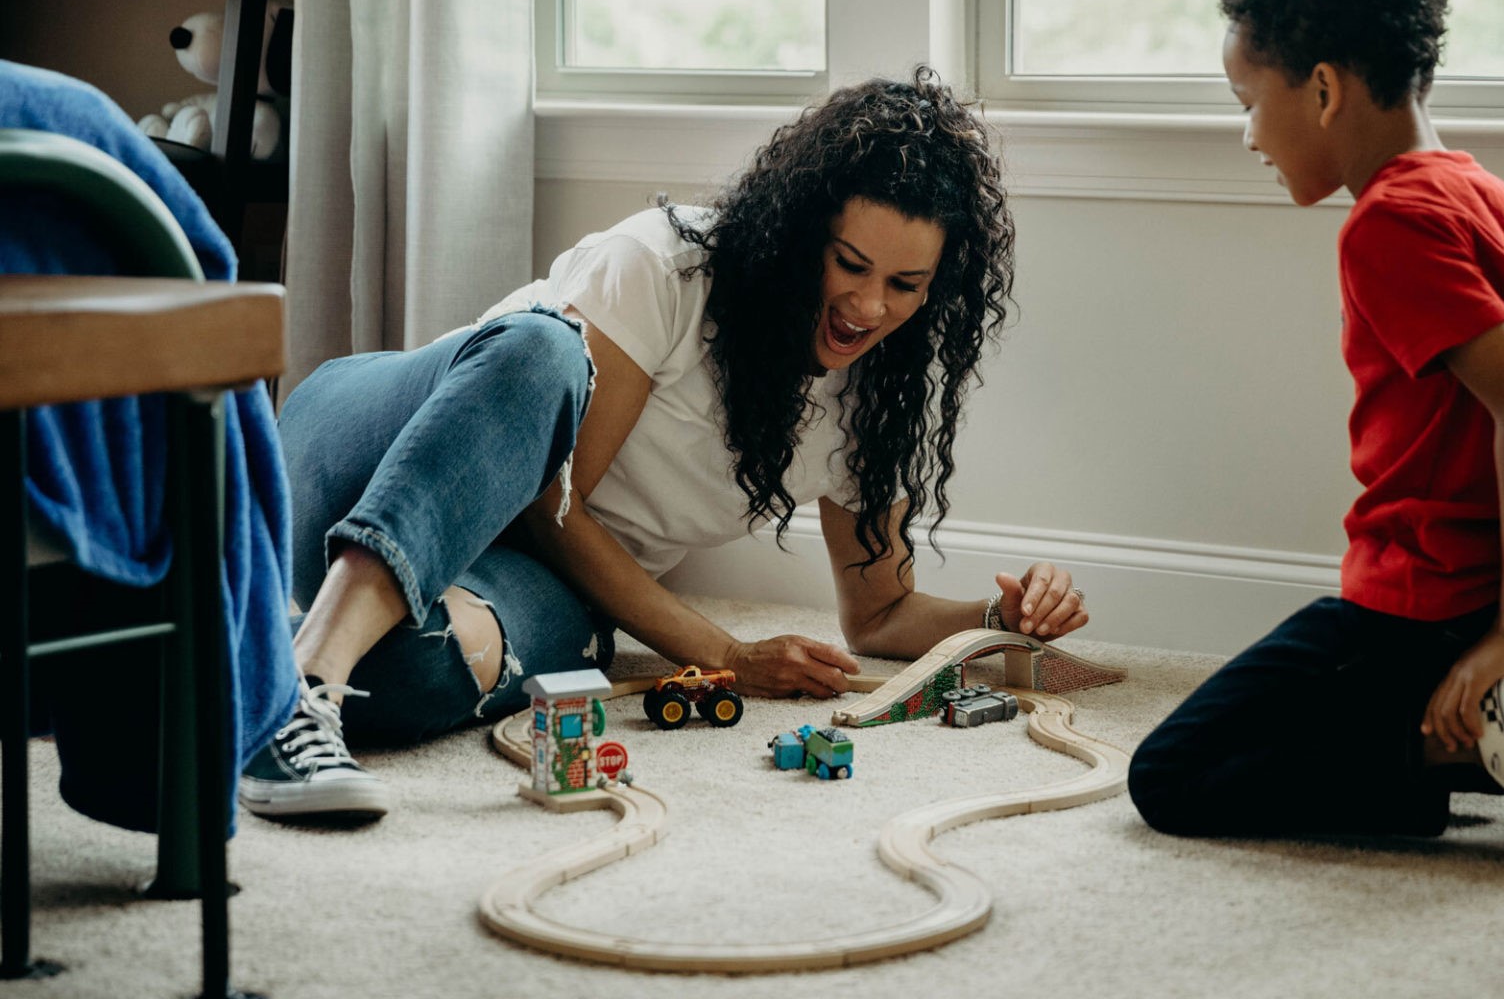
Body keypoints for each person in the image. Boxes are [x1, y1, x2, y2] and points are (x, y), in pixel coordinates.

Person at [241, 67, 1090, 822]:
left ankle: (265, 645)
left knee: (426, 667)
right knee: (543, 350)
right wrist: (721, 652)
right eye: (850, 265)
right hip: (377, 449)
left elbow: (879, 613)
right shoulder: (667, 265)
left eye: (904, 285)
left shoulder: (877, 397)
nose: (867, 307)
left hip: (516, 570)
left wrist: (997, 619)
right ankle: (302, 682)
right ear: (801, 235)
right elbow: (552, 505)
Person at [1127, 0, 1504, 872]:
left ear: (1322, 89)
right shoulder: (1486, 195)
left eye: (1248, 100)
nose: (1247, 134)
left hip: (1442, 602)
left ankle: (1476, 738)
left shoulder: (1387, 225)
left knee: (1171, 773)